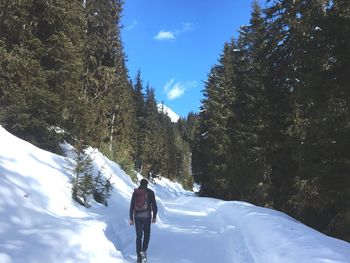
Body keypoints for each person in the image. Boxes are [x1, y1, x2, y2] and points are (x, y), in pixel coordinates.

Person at [129, 178, 158, 262]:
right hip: (147, 217)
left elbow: (132, 206)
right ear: (147, 184)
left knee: (139, 236)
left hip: (137, 217)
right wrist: (154, 217)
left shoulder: (136, 192)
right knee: (147, 234)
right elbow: (155, 206)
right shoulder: (151, 192)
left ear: (140, 183)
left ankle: (138, 257)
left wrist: (131, 218)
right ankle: (143, 251)